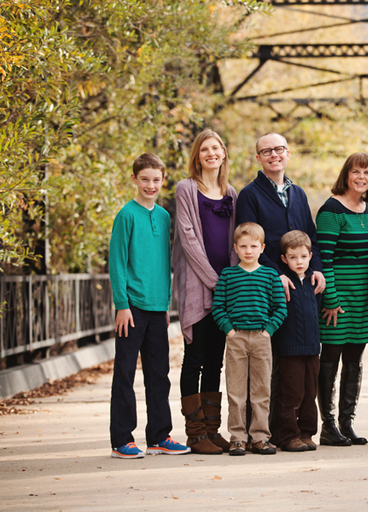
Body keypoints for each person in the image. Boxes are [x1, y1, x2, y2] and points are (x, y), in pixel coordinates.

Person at [235, 132, 325, 446]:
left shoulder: (298, 193)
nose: (274, 155)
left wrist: (317, 270)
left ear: (287, 154)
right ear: (258, 158)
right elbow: (248, 242)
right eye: (267, 151)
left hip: (301, 284)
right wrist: (276, 273)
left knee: (299, 367)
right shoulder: (250, 195)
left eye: (279, 149)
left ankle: (296, 432)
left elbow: (310, 238)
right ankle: (262, 432)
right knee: (271, 365)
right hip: (268, 287)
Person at [109, 153, 190, 458]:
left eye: (156, 180)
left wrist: (168, 302)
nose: (150, 185)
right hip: (131, 307)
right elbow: (116, 262)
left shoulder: (164, 217)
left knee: (159, 374)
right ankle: (122, 440)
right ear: (134, 179)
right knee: (126, 373)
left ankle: (159, 436)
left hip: (159, 308)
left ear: (163, 181)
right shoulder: (126, 215)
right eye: (145, 179)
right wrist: (122, 303)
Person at [172, 129, 238, 455]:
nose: (211, 153)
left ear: (223, 153)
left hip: (225, 289)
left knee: (216, 361)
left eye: (216, 148)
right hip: (199, 286)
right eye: (204, 149)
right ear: (197, 156)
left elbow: (237, 241)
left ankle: (213, 430)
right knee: (194, 357)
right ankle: (195, 434)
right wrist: (216, 280)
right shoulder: (186, 189)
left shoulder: (232, 193)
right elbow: (189, 239)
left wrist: (233, 281)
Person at [315, 153, 368, 446]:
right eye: (356, 172)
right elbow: (324, 259)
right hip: (338, 298)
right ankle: (328, 426)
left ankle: (347, 423)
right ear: (346, 175)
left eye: (367, 172)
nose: (361, 177)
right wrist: (331, 299)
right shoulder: (331, 210)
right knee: (330, 359)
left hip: (364, 297)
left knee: (355, 359)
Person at [212, 222, 287, 456]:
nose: (248, 251)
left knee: (261, 391)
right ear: (235, 248)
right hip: (236, 339)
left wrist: (268, 331)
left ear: (262, 248)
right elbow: (218, 307)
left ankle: (261, 437)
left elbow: (280, 308)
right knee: (236, 392)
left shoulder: (270, 275)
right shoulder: (228, 275)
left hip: (262, 339)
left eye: (253, 246)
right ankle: (237, 437)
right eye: (243, 246)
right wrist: (230, 331)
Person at [273, 231, 322, 452]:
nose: (299, 261)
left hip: (312, 348)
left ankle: (306, 433)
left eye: (303, 256)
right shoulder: (281, 282)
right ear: (284, 259)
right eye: (293, 257)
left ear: (310, 255)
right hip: (289, 348)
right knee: (292, 394)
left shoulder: (314, 280)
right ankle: (289, 436)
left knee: (310, 393)